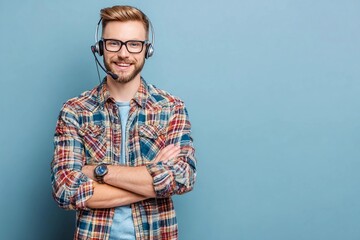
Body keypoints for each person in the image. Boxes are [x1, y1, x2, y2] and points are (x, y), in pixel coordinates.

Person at [51, 5, 196, 240]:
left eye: (134, 44)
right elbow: (65, 191)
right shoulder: (74, 110)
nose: (123, 53)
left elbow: (182, 178)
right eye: (114, 43)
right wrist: (150, 178)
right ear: (100, 47)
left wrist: (99, 171)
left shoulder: (172, 108)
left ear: (147, 50)